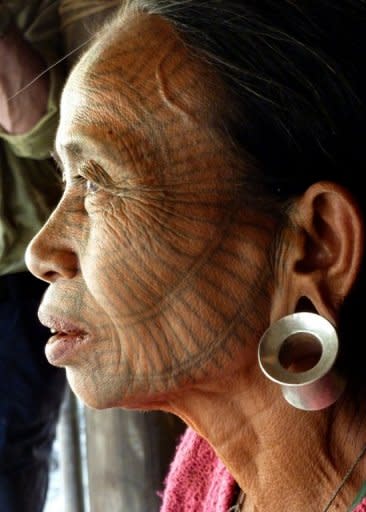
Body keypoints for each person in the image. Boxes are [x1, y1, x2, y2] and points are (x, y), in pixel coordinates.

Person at [25, 1, 366, 510]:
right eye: (66, 183)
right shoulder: (207, 473)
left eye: (96, 183)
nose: (41, 253)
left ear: (316, 247)